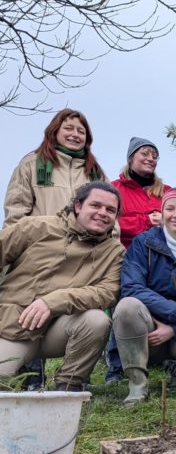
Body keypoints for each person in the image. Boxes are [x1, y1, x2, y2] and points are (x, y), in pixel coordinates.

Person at [4, 108, 108, 389]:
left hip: (81, 255)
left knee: (76, 309)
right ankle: (29, 377)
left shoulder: (94, 170)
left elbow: (109, 211)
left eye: (81, 131)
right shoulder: (34, 163)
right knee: (30, 310)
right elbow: (16, 210)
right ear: (54, 131)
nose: (75, 135)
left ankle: (72, 380)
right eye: (69, 129)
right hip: (38, 251)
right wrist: (22, 244)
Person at [0, 182, 124, 391]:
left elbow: (107, 292)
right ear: (78, 205)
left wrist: (53, 302)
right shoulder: (34, 227)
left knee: (97, 320)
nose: (102, 213)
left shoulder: (115, 252)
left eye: (110, 210)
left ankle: (68, 387)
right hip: (15, 326)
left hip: (60, 329)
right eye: (95, 205)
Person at [113, 188, 176, 405]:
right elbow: (131, 287)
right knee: (127, 306)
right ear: (161, 213)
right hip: (149, 327)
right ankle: (137, 384)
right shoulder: (143, 243)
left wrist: (174, 328)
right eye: (169, 209)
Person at [104, 137, 170, 383]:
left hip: (159, 260)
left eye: (154, 155)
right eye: (145, 153)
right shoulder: (113, 190)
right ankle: (116, 365)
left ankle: (165, 358)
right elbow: (109, 222)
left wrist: (165, 221)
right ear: (131, 157)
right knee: (123, 307)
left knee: (160, 304)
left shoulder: (166, 191)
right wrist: (145, 222)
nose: (151, 158)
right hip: (124, 257)